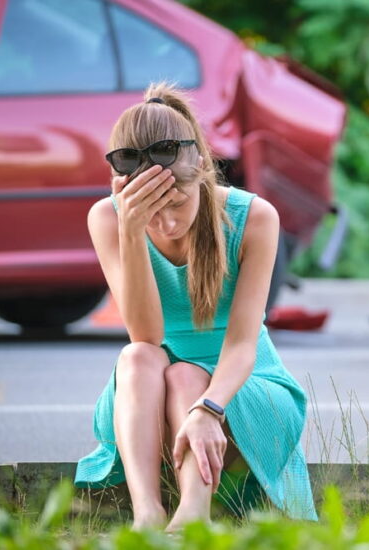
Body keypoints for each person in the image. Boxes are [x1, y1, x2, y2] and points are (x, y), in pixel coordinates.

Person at [74, 81, 318, 530]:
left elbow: (244, 344)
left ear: (202, 168)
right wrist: (131, 230)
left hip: (243, 391)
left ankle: (192, 517)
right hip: (148, 397)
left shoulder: (255, 217)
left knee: (186, 373)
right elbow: (145, 335)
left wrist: (209, 407)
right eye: (151, 209)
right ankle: (147, 515)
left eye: (177, 203)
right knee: (136, 357)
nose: (165, 223)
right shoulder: (109, 217)